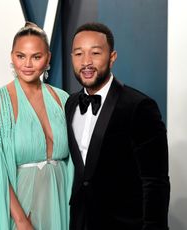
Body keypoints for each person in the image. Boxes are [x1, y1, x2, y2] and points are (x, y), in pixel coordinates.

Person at [0, 22, 73, 230]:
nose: (27, 64)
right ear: (12, 57)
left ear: (48, 58)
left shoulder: (63, 100)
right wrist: (22, 221)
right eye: (21, 56)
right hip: (20, 207)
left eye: (36, 57)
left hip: (59, 204)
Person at [65, 22, 170, 230]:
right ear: (72, 59)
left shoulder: (139, 107)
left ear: (112, 57)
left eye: (95, 53)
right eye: (79, 54)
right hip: (81, 222)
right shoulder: (70, 104)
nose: (86, 62)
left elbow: (155, 182)